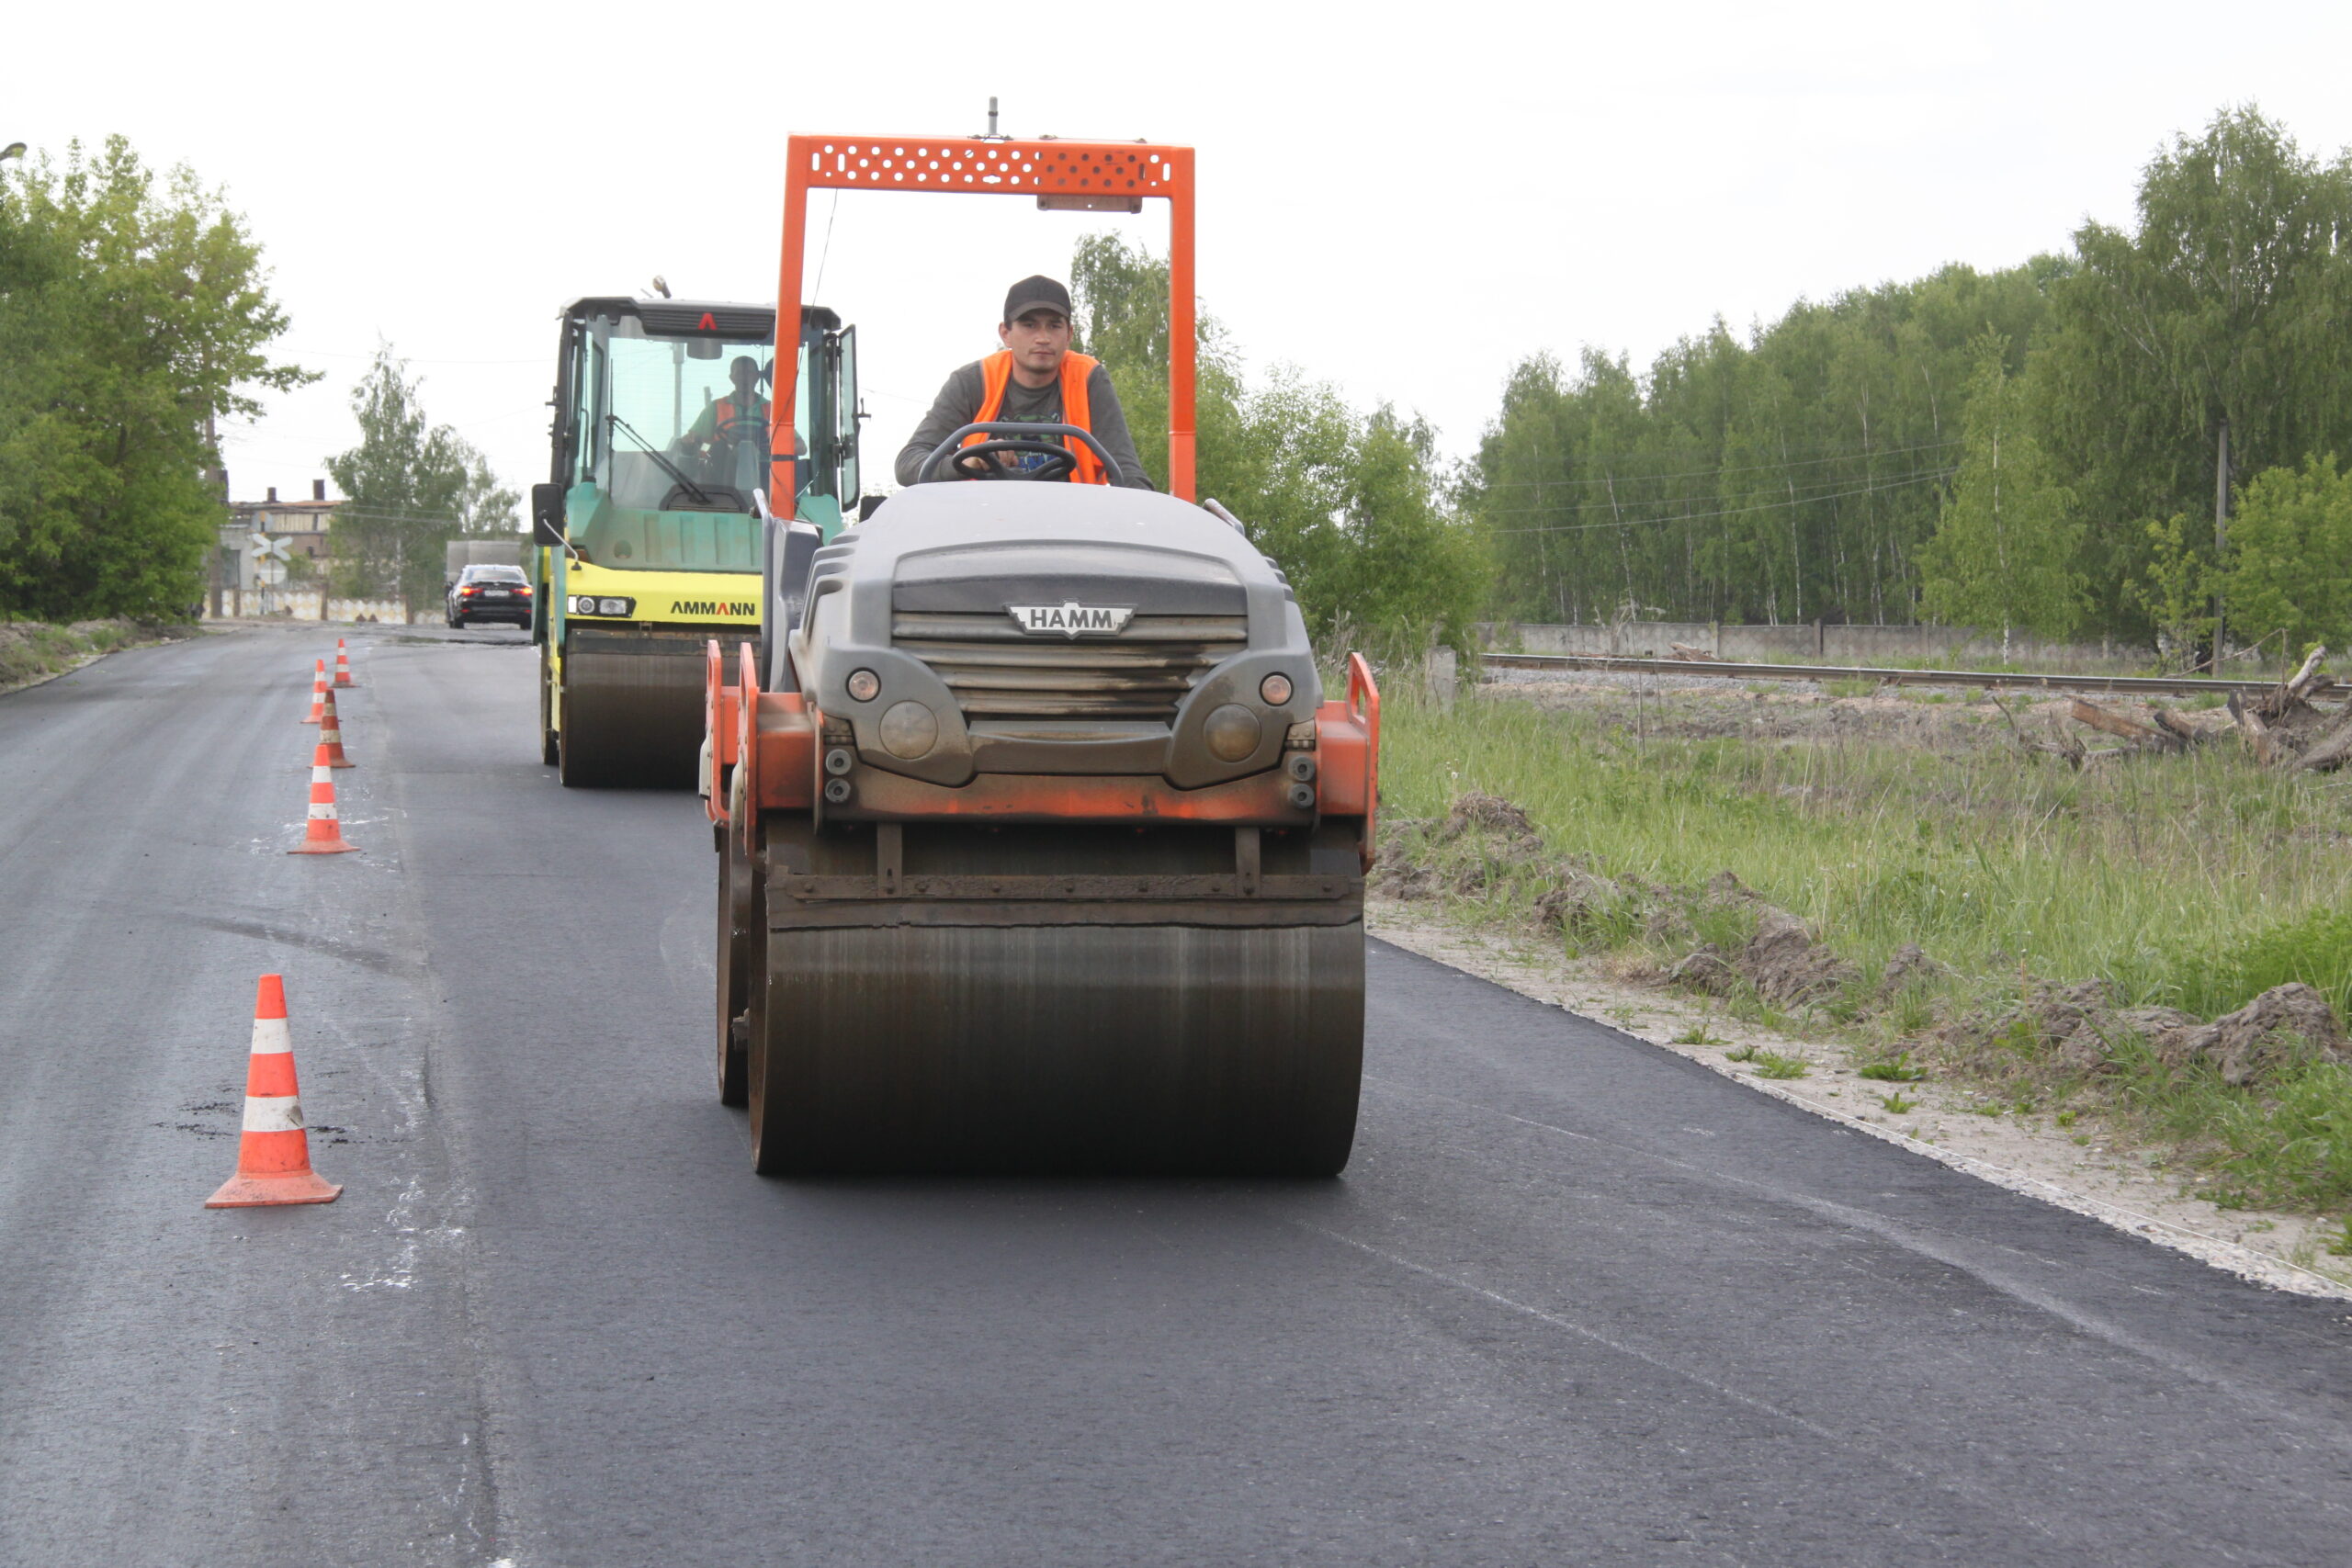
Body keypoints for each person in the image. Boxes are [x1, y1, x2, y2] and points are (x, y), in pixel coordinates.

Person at [895, 276, 1155, 490]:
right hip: (981, 524)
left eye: (1054, 326)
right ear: (1006, 334)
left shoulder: (1089, 379)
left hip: (1073, 524)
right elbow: (909, 463)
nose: (1042, 338)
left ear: (1069, 335)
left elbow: (1125, 469)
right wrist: (970, 461)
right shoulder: (972, 382)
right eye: (1029, 325)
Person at [681, 355, 769, 457]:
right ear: (732, 378)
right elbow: (694, 441)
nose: (744, 378)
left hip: (768, 471)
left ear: (757, 376)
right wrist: (691, 443)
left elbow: (790, 444)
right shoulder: (714, 408)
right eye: (739, 373)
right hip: (722, 470)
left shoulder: (772, 410)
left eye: (749, 373)